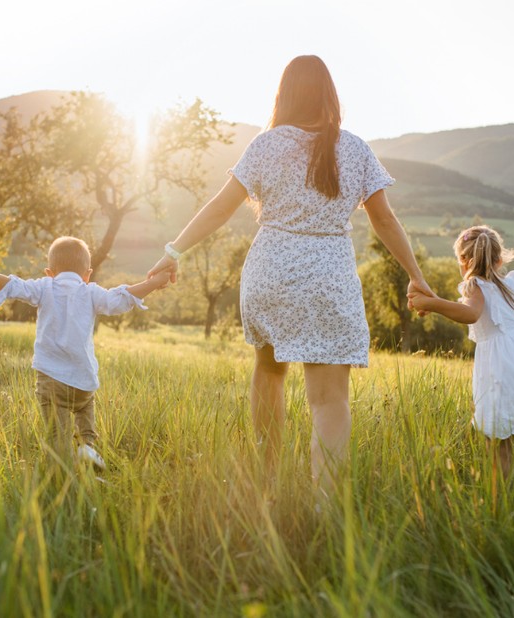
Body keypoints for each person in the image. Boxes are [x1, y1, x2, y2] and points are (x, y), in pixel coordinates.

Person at [147, 55, 433, 496]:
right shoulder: (355, 148)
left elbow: (221, 206)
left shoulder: (265, 144)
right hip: (328, 279)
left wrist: (174, 250)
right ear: (329, 95)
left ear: (285, 95)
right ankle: (326, 507)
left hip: (270, 274)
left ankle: (268, 478)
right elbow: (385, 221)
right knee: (329, 399)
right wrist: (416, 275)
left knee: (270, 370)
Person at [0, 236, 171, 471]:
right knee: (85, 406)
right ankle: (86, 445)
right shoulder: (91, 292)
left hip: (51, 378)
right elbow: (120, 298)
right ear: (87, 273)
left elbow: (12, 285)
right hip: (83, 380)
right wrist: (154, 283)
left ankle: (61, 469)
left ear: (49, 272)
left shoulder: (44, 286)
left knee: (56, 433)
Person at [407, 224, 514, 479]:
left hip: (502, 366)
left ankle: (513, 496)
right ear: (500, 259)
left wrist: (433, 304)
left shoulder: (475, 286)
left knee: (496, 436)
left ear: (464, 261)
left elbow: (470, 313)